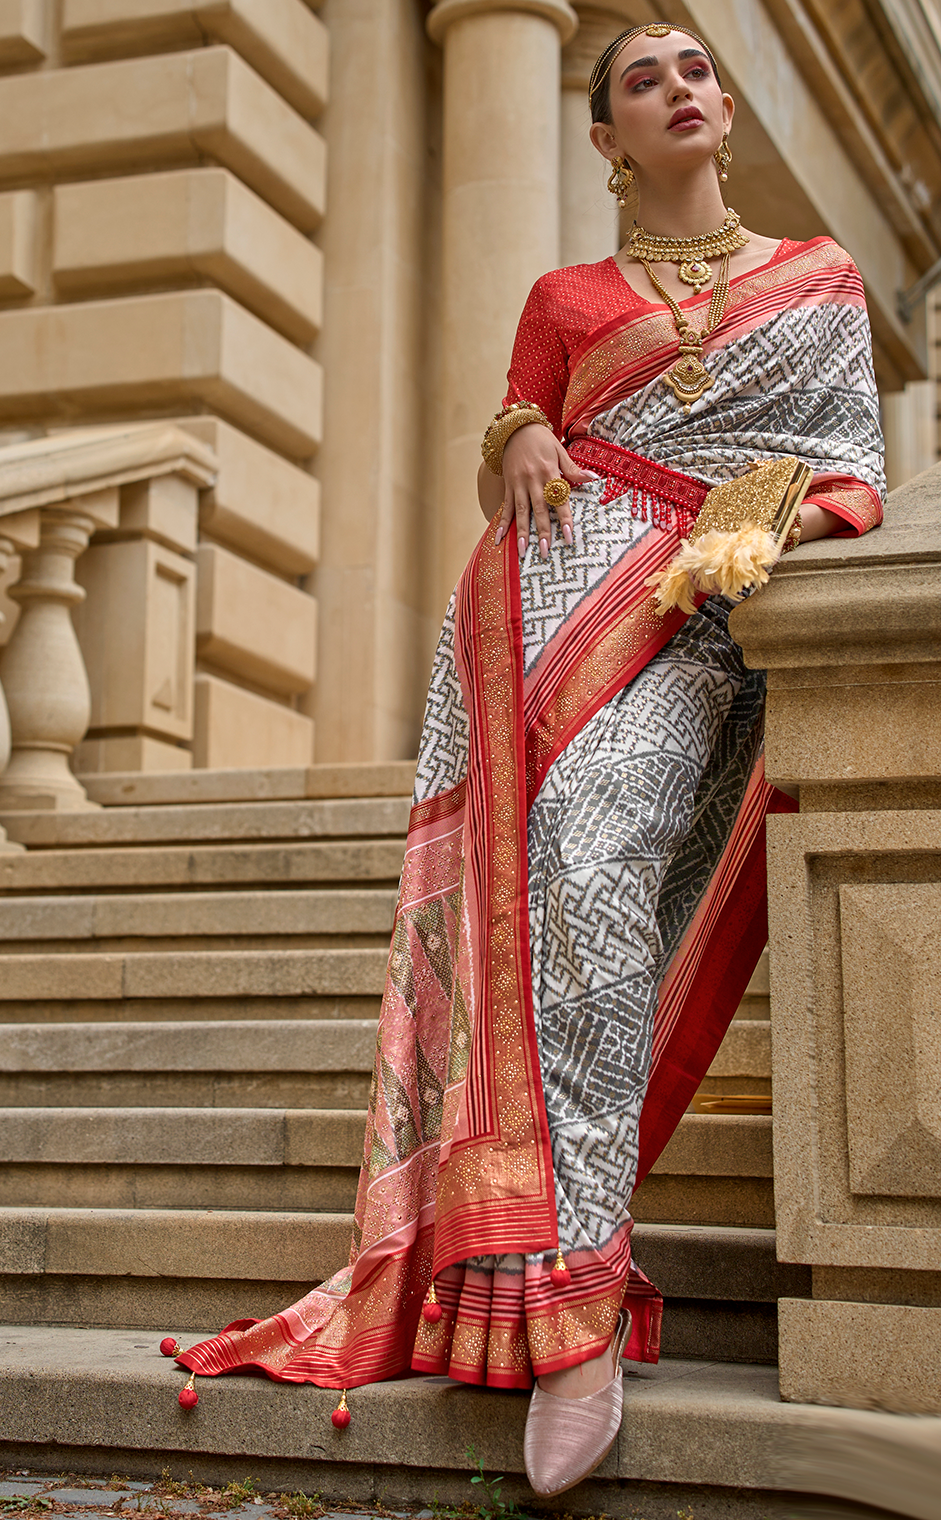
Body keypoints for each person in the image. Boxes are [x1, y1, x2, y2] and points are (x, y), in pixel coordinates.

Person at [165, 23, 885, 1498]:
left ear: (725, 109)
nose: (682, 87)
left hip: (706, 633)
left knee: (596, 859)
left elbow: (861, 464)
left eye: (698, 69)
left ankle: (579, 1293)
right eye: (643, 80)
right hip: (552, 634)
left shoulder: (820, 279)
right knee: (551, 884)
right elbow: (518, 434)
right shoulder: (566, 296)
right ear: (606, 141)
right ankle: (571, 1302)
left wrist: (776, 528)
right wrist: (517, 446)